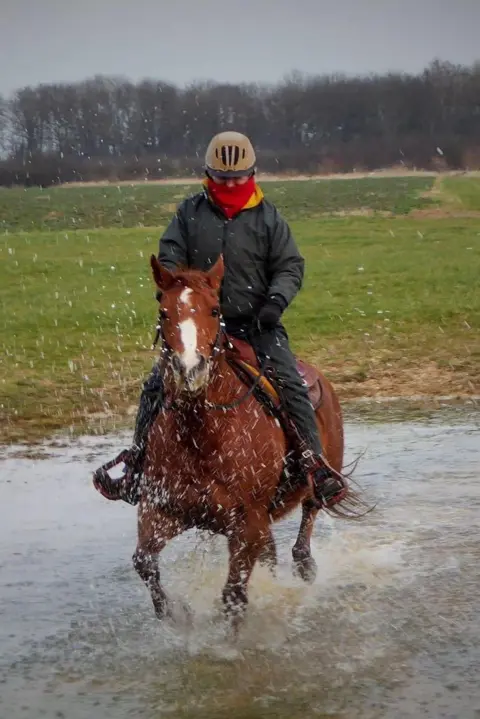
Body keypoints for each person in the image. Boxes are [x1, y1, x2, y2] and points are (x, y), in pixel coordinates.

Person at [93, 131, 347, 508]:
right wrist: (175, 295)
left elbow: (290, 266)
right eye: (222, 178)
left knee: (292, 385)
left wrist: (275, 302)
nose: (230, 184)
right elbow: (169, 257)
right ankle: (138, 466)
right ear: (208, 175)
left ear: (252, 174)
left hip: (257, 326)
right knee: (154, 386)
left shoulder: (268, 218)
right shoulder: (190, 213)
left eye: (238, 177)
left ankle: (315, 466)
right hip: (198, 329)